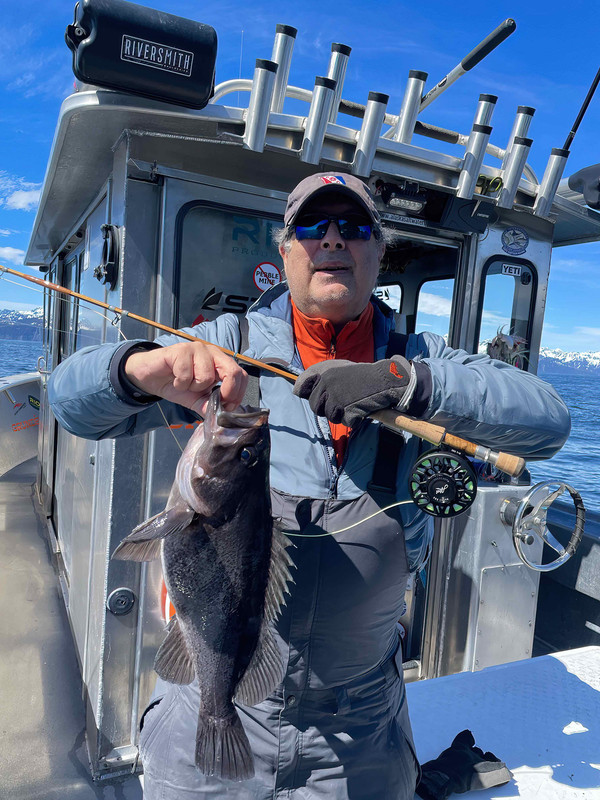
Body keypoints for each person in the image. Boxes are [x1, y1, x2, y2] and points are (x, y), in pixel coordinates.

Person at [48, 172, 570, 799]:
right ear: (286, 250)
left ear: (379, 251)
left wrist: (408, 382)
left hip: (359, 728)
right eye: (311, 227)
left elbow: (547, 421)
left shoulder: (422, 359)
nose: (331, 240)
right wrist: (134, 369)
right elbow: (71, 404)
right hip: (209, 713)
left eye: (353, 228)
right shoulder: (224, 349)